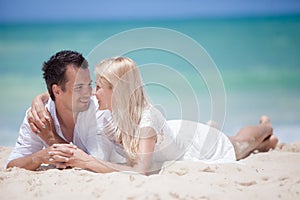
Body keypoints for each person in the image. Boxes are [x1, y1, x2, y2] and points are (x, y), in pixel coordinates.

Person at [28, 57, 278, 175]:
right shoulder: (107, 110)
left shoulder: (146, 121)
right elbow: (66, 94)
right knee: (239, 141)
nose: (94, 92)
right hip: (174, 134)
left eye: (100, 86)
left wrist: (86, 162)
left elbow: (139, 171)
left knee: (240, 143)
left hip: (197, 145)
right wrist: (39, 99)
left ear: (119, 91)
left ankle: (265, 129)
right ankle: (267, 142)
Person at [6, 50, 113, 170]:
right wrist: (38, 157)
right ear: (57, 91)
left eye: (89, 85)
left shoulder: (99, 111)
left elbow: (97, 162)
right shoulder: (40, 115)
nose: (88, 93)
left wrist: (52, 138)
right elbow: (12, 164)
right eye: (79, 87)